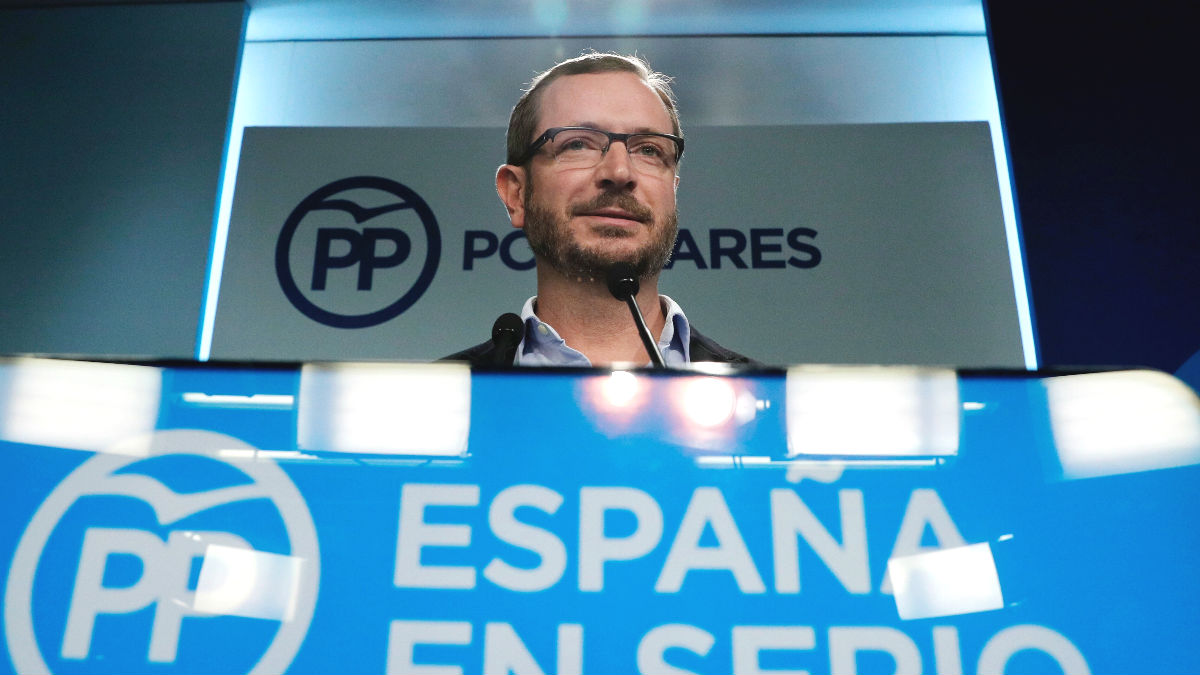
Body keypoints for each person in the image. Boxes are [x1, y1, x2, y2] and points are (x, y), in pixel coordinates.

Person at [445, 52, 755, 367]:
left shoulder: (764, 399)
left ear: (673, 189)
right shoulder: (426, 402)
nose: (620, 172)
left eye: (649, 150)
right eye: (577, 144)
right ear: (517, 193)